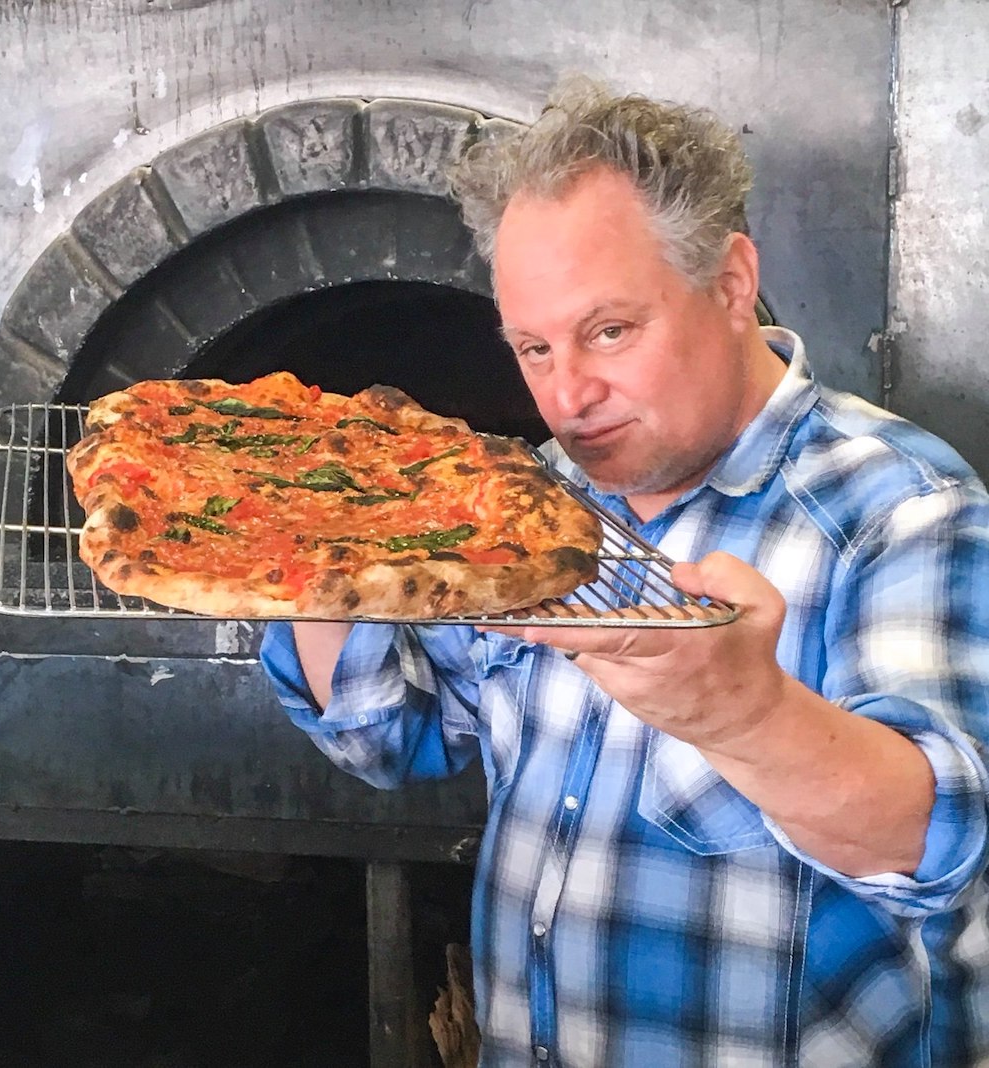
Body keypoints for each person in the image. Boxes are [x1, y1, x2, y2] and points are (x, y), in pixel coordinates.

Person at [260, 77, 989, 1067]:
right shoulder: (528, 502)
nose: (568, 395)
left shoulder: (901, 508)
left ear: (731, 282)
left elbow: (945, 842)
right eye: (533, 347)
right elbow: (396, 737)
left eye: (610, 331)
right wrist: (314, 552)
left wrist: (746, 717)